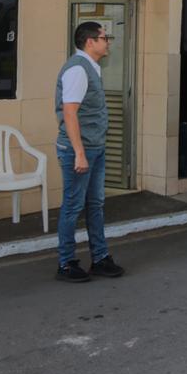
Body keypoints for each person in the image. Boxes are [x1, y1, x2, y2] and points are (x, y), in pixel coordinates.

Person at [54, 22, 124, 283]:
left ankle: (100, 258)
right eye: (105, 38)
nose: (108, 42)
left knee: (95, 204)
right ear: (90, 42)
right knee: (73, 206)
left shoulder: (90, 67)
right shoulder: (77, 70)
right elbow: (69, 113)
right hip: (79, 151)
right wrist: (79, 153)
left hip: (94, 147)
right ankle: (66, 263)